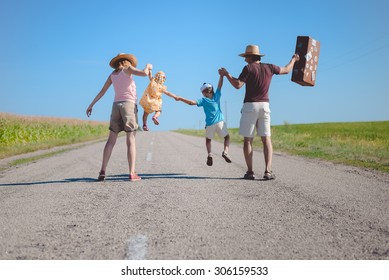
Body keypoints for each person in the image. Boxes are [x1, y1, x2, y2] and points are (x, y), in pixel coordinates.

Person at [219, 45, 299, 180]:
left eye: (246, 57)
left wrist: (227, 74)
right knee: (266, 139)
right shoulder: (270, 67)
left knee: (248, 140)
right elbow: (286, 70)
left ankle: (250, 172)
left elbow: (238, 85)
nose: (245, 60)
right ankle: (268, 171)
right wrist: (294, 59)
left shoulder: (248, 68)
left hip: (250, 106)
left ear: (250, 57)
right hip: (265, 106)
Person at [86, 53, 152, 182]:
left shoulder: (113, 75)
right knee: (131, 139)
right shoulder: (127, 70)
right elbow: (144, 73)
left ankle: (102, 171)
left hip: (116, 106)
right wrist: (148, 66)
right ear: (127, 62)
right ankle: (132, 173)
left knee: (111, 140)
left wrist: (91, 104)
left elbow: (102, 91)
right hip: (128, 105)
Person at [176, 74, 232, 166]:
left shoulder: (203, 100)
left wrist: (180, 98)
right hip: (220, 122)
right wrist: (221, 76)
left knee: (208, 140)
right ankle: (225, 152)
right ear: (212, 89)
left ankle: (210, 154)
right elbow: (220, 85)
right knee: (227, 137)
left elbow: (191, 103)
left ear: (204, 92)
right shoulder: (217, 95)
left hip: (210, 124)